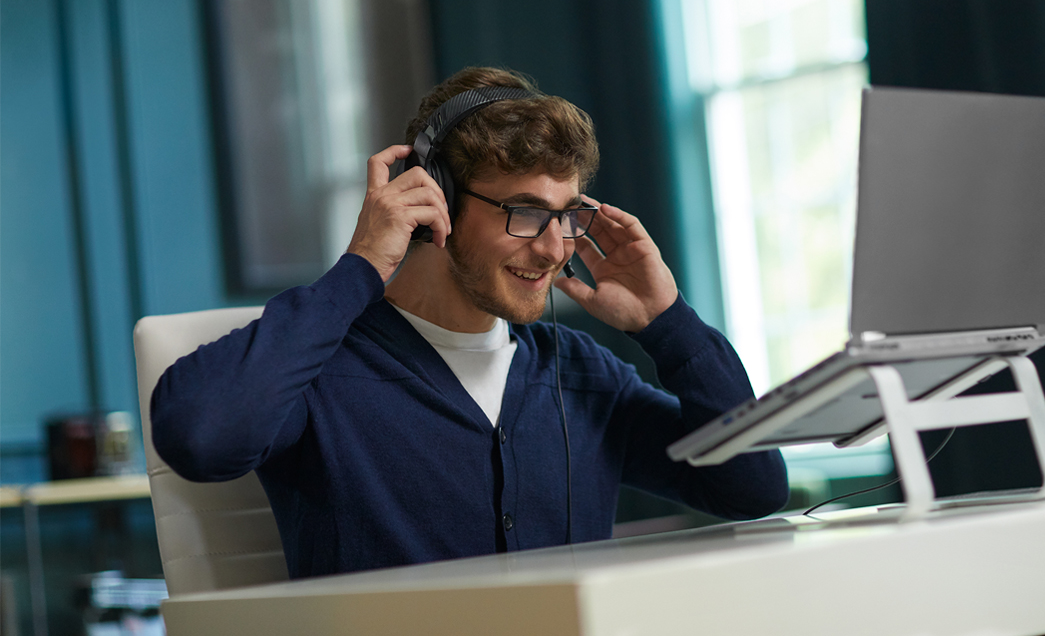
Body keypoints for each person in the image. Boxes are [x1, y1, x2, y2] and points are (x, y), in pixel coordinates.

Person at [151, 67, 788, 579]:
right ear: (438, 201)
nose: (554, 247)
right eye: (526, 213)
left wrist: (669, 324)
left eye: (567, 215)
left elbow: (752, 488)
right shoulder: (321, 370)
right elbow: (201, 437)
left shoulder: (578, 371)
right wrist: (363, 266)